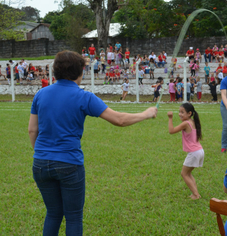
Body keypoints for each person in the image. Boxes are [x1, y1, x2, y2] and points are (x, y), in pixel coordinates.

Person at [29, 50, 157, 236]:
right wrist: (146, 114)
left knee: (53, 213)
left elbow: (32, 130)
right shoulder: (84, 97)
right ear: (80, 72)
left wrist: (42, 154)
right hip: (69, 163)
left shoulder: (40, 94)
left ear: (55, 71)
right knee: (73, 216)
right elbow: (119, 119)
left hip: (40, 162)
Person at [167, 103, 204, 200]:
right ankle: (195, 193)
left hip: (194, 152)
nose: (180, 114)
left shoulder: (186, 123)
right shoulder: (193, 121)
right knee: (188, 173)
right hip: (199, 151)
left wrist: (170, 118)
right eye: (179, 112)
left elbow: (171, 131)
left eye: (182, 112)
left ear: (189, 113)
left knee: (184, 174)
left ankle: (196, 195)